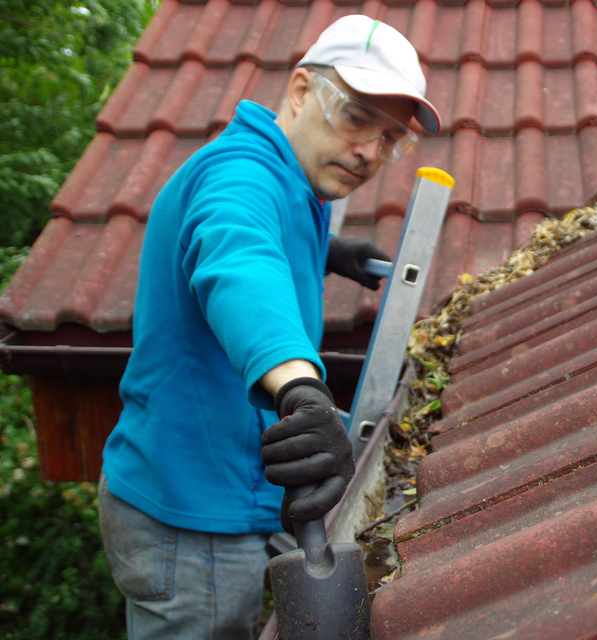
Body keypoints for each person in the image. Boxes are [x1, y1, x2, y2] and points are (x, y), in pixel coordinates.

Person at [97, 15, 440, 639]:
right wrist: (301, 392)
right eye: (357, 117)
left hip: (234, 486)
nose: (370, 151)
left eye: (391, 137)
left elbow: (266, 244)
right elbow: (238, 261)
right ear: (303, 91)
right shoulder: (241, 175)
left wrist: (325, 253)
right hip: (188, 512)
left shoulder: (296, 183)